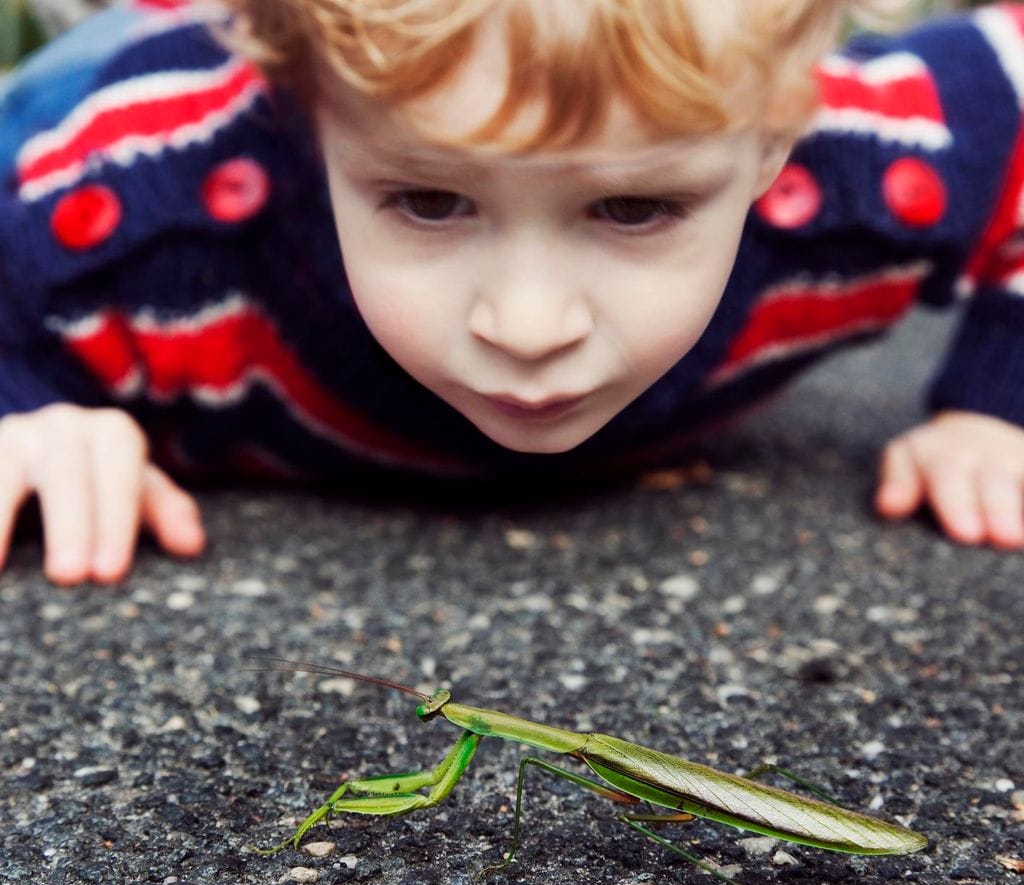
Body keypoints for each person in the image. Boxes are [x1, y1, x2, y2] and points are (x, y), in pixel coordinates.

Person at [2, 0, 1024, 587]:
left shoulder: (863, 168)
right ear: (309, 123)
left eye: (631, 208)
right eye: (431, 199)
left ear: (774, 137)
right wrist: (29, 407)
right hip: (127, 81)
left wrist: (996, 398)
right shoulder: (142, 206)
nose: (528, 329)